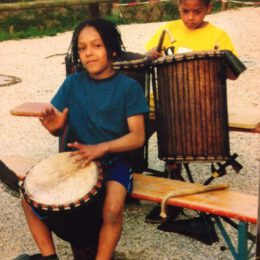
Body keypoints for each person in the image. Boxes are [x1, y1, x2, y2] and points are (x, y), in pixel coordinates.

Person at [16, 18, 149, 260]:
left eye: (96, 46)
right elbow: (57, 122)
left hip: (115, 161)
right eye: (82, 48)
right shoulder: (71, 84)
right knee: (28, 199)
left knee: (112, 209)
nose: (88, 53)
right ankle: (49, 257)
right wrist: (54, 127)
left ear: (112, 49)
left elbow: (137, 136)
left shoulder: (128, 88)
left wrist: (102, 148)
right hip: (78, 161)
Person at [143, 0, 238, 223]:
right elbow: (146, 57)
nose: (190, 17)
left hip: (192, 106)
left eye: (197, 11)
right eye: (185, 11)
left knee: (173, 150)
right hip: (158, 101)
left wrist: (219, 62)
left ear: (209, 9)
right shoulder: (168, 30)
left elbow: (234, 73)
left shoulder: (217, 36)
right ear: (179, 7)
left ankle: (172, 198)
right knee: (134, 137)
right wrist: (150, 55)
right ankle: (129, 182)